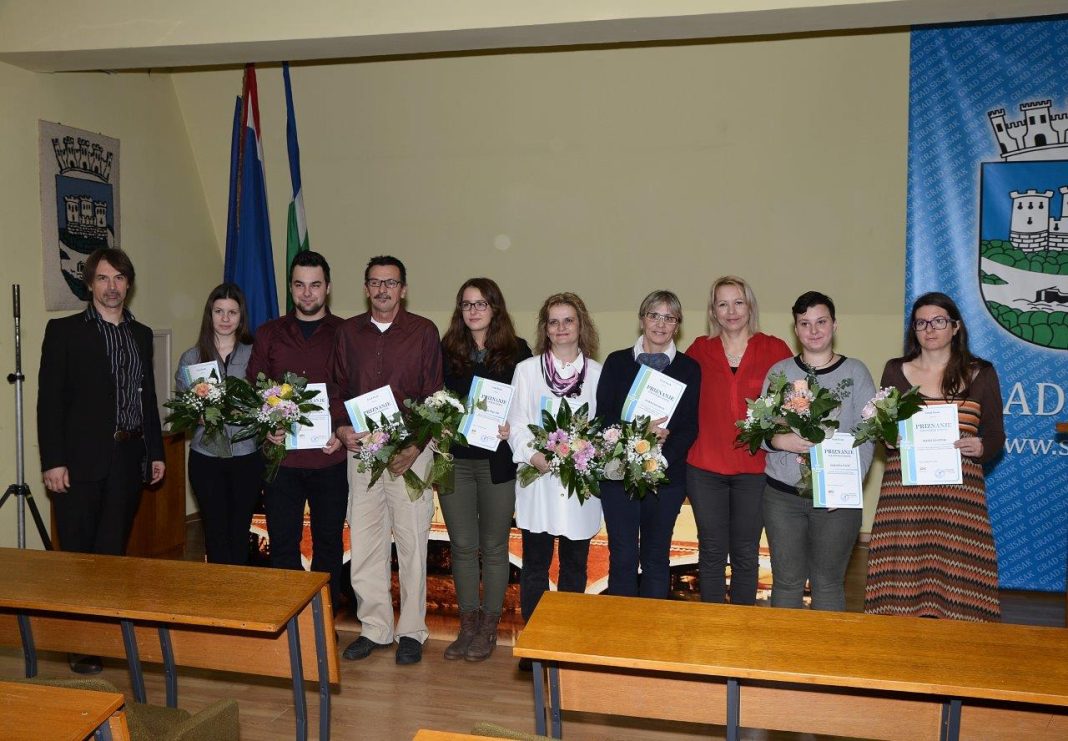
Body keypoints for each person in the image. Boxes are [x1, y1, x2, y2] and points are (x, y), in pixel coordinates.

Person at [37, 247, 165, 674]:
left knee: (111, 554)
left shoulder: (140, 334)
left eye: (119, 278)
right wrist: (53, 461)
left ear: (129, 284)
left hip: (128, 458)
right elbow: (49, 402)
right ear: (90, 284)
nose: (112, 287)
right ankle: (79, 643)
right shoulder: (64, 332)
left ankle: (105, 634)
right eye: (104, 278)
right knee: (79, 557)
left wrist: (155, 452)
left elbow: (147, 398)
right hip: (78, 463)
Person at [865, 292, 1005, 622]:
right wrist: (890, 437)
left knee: (959, 580)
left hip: (959, 495)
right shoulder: (895, 371)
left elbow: (996, 434)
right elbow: (883, 428)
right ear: (913, 330)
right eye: (921, 323)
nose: (929, 329)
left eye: (939, 321)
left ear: (955, 327)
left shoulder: (981, 373)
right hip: (904, 494)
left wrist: (981, 447)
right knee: (901, 579)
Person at [332, 255, 444, 666]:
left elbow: (434, 395)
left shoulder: (424, 332)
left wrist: (415, 447)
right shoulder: (348, 332)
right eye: (376, 282)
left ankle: (411, 630)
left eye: (391, 283)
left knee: (412, 542)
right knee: (365, 542)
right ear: (365, 288)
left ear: (403, 289)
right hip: (362, 452)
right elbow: (337, 388)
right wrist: (342, 429)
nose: (383, 290)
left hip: (410, 454)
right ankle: (375, 628)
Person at [761, 291, 876, 611]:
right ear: (795, 329)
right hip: (782, 498)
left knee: (828, 583)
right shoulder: (779, 373)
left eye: (821, 322)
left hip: (837, 500)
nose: (813, 330)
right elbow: (759, 428)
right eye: (805, 323)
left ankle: (827, 646)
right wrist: (778, 441)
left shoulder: (855, 372)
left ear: (834, 325)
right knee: (786, 582)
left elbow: (868, 433)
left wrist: (848, 485)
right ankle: (785, 646)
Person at [246, 252, 346, 604]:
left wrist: (342, 430)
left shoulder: (346, 333)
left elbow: (354, 389)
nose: (307, 293)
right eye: (300, 285)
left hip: (330, 459)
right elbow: (255, 387)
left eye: (315, 285)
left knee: (329, 544)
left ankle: (323, 618)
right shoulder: (269, 333)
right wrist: (266, 426)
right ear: (290, 288)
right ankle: (288, 618)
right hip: (282, 460)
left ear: (328, 287)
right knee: (283, 543)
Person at [440, 278, 532, 661]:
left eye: (481, 304)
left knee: (494, 548)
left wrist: (514, 426)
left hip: (497, 463)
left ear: (495, 308)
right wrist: (439, 422)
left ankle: (489, 628)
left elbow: (527, 405)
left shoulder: (518, 351)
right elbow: (433, 398)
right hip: (454, 461)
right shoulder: (445, 350)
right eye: (467, 304)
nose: (474, 311)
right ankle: (467, 625)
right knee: (461, 547)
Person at [685, 276, 792, 604]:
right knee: (712, 551)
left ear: (750, 307)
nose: (731, 311)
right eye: (723, 304)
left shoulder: (775, 349)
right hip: (704, 468)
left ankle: (742, 626)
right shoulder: (699, 350)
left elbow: (794, 404)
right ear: (713, 311)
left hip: (754, 470)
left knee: (746, 552)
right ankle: (713, 626)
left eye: (738, 303)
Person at [507, 293, 603, 633]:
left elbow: (603, 430)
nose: (561, 328)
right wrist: (533, 455)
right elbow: (516, 423)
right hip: (538, 482)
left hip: (580, 488)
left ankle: (566, 640)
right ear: (545, 329)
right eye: (554, 322)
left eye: (568, 320)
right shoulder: (527, 370)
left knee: (574, 566)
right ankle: (535, 641)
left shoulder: (597, 374)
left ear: (581, 326)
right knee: (535, 565)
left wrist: (587, 450)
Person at [596, 290, 700, 598]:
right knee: (623, 557)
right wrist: (639, 432)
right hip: (619, 475)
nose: (660, 324)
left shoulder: (689, 368)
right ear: (642, 319)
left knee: (656, 559)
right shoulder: (616, 362)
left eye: (669, 318)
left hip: (666, 477)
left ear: (677, 325)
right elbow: (603, 418)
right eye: (654, 315)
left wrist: (660, 460)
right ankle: (621, 627)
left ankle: (652, 629)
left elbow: (689, 426)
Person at [175, 283, 262, 565]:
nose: (225, 318)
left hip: (246, 456)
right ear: (209, 314)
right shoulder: (191, 358)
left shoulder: (256, 354)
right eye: (219, 311)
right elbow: (183, 407)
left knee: (240, 532)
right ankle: (217, 589)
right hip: (206, 458)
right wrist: (195, 413)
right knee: (214, 532)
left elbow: (268, 400)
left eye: (232, 312)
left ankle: (238, 589)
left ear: (241, 316)